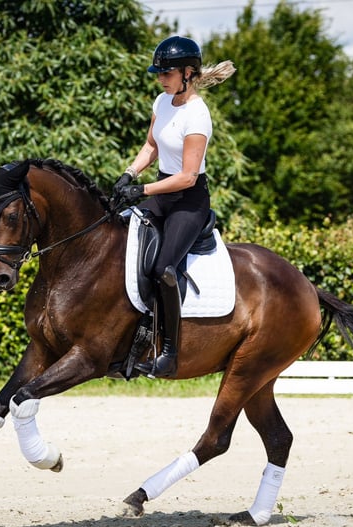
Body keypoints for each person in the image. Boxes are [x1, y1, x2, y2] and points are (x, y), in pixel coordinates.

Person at [113, 35, 235, 377]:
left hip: (189, 200)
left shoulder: (198, 116)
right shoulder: (162, 101)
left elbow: (186, 176)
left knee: (163, 268)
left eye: (166, 73)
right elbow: (151, 145)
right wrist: (129, 173)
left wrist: (143, 189)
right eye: (159, 73)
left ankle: (169, 352)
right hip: (162, 193)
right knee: (118, 239)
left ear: (188, 74)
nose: (160, 78)